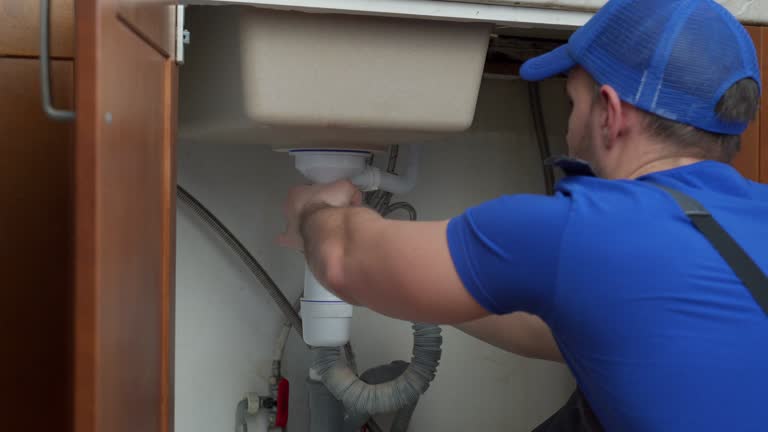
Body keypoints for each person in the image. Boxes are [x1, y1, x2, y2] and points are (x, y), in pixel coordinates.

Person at [278, 0, 768, 430]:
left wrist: (317, 210)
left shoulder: (584, 229)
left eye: (572, 102)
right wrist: (428, 289)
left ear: (610, 114)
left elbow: (344, 258)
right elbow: (568, 330)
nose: (570, 123)